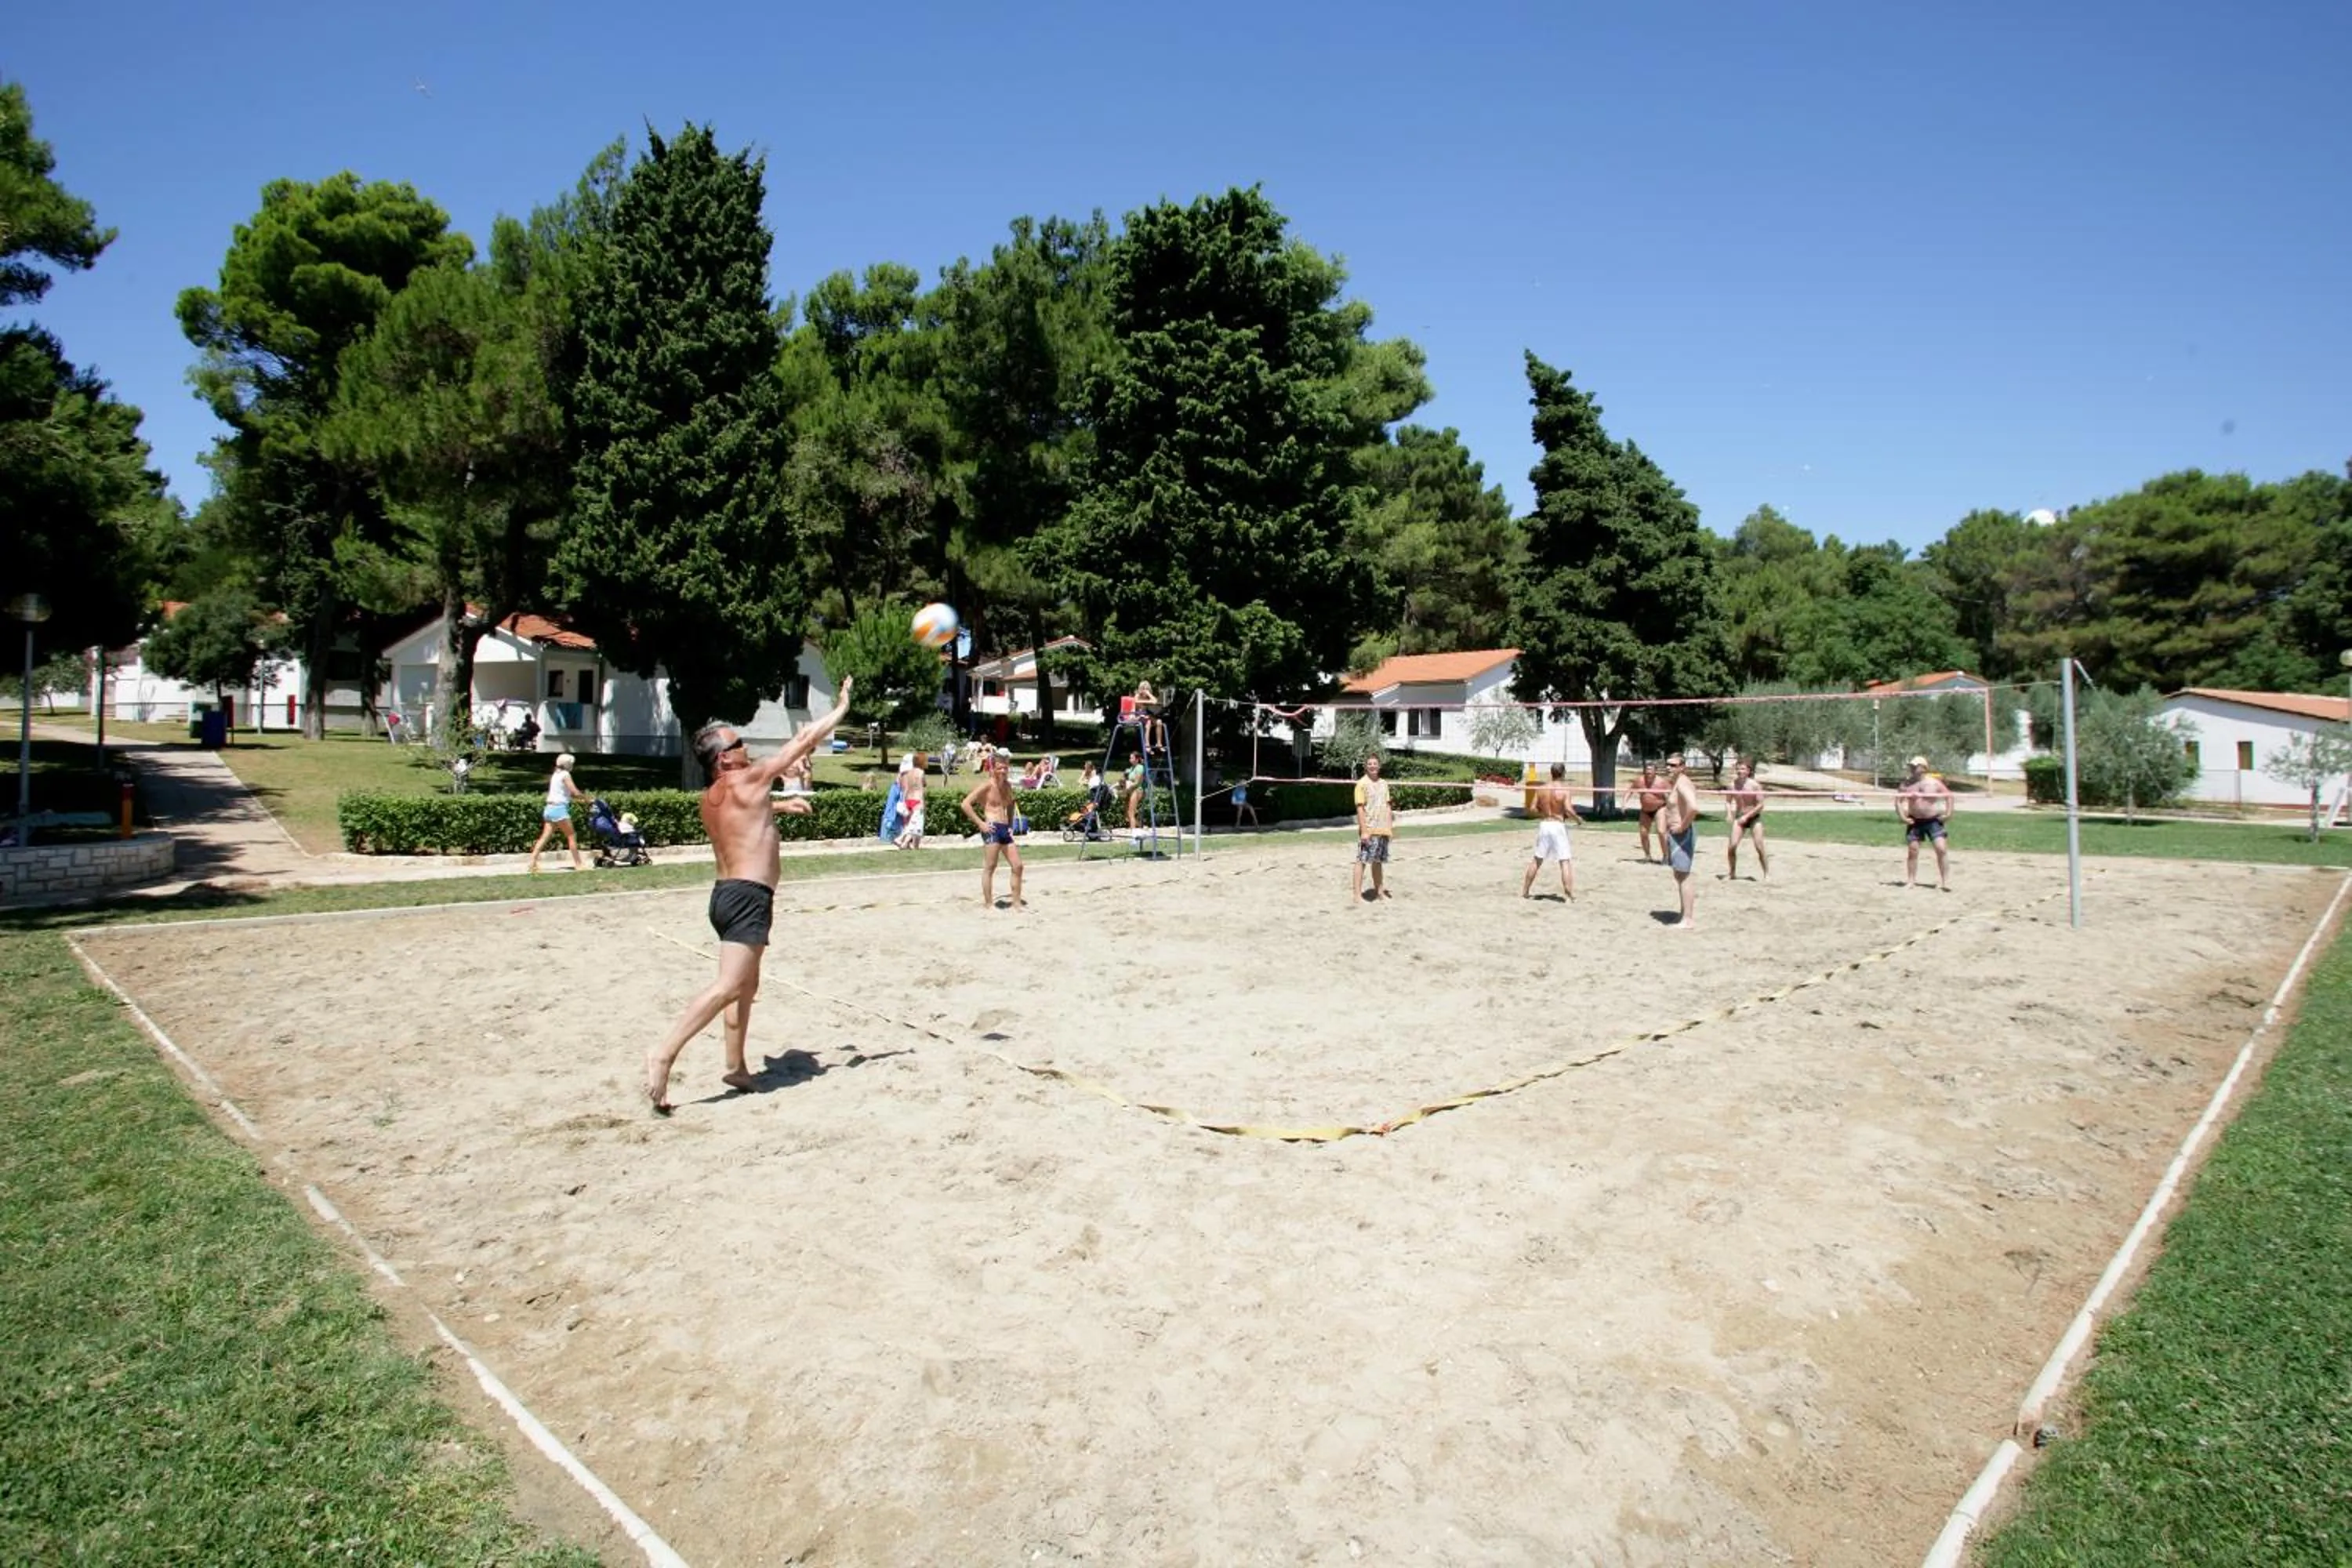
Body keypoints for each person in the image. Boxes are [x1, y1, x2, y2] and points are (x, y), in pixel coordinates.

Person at [642, 677, 855, 1114]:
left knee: (745, 986)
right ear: (724, 758)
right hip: (747, 897)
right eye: (738, 743)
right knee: (728, 986)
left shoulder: (712, 796)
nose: (745, 746)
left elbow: (744, 816)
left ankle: (736, 1067)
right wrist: (842, 707)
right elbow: (804, 740)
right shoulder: (750, 777)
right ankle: (663, 1054)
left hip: (723, 896)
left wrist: (780, 806)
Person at [960, 750, 1027, 909]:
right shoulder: (987, 785)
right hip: (991, 827)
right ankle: (989, 904)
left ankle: (1016, 903)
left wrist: (1010, 825)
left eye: (1005, 768)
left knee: (1018, 866)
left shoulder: (1008, 786)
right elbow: (965, 804)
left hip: (1004, 828)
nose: (1003, 771)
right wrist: (980, 824)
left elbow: (1011, 804)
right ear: (993, 768)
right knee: (990, 867)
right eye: (1000, 768)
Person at [1520, 762, 1584, 900]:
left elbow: (1531, 809)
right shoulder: (1565, 790)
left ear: (1551, 773)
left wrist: (1543, 814)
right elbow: (1568, 809)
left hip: (1545, 825)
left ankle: (1525, 891)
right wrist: (1578, 819)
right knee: (1565, 861)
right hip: (1557, 825)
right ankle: (1569, 894)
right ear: (1563, 774)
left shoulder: (1541, 789)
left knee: (1537, 860)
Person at [1897, 754, 1954, 891]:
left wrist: (1949, 814)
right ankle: (1911, 881)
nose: (1912, 768)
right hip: (1915, 821)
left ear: (1923, 768)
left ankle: (1945, 882)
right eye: (1911, 766)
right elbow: (1898, 801)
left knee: (1941, 849)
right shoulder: (1906, 784)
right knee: (1913, 850)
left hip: (1933, 821)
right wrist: (1902, 817)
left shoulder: (1934, 783)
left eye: (1915, 766)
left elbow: (1949, 796)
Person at [528, 752, 586, 873]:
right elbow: (574, 791)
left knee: (545, 837)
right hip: (560, 809)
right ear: (568, 765)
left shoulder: (556, 774)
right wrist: (587, 799)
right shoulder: (565, 775)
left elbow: (564, 793)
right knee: (571, 836)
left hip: (549, 808)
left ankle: (532, 862)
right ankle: (579, 864)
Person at [1660, 752, 1700, 928]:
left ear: (1682, 767)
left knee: (1684, 875)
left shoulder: (1683, 783)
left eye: (1674, 765)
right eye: (1668, 764)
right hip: (1675, 834)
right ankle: (1684, 914)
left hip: (1683, 834)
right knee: (1679, 874)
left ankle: (1688, 919)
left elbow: (1693, 807)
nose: (1669, 767)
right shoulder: (1675, 783)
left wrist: (1682, 826)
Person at [1352, 753, 1395, 902]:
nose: (1372, 766)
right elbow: (1360, 809)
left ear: (1379, 766)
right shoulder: (1361, 784)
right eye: (1369, 764)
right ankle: (1357, 896)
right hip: (1369, 830)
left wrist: (1390, 828)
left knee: (1378, 862)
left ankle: (1380, 893)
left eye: (1375, 763)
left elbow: (1388, 806)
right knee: (1362, 861)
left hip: (1382, 829)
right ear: (1366, 766)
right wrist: (1364, 831)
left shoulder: (1384, 784)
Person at [1724, 760, 1769, 884]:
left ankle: (1766, 874)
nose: (1740, 771)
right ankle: (1732, 873)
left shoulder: (1755, 785)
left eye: (1743, 769)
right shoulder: (1732, 785)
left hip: (1754, 818)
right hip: (1740, 817)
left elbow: (1760, 805)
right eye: (1738, 769)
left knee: (1759, 847)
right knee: (1732, 846)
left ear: (1748, 771)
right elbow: (1728, 801)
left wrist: (1748, 816)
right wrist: (1729, 813)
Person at [1635, 762, 1669, 863]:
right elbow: (1630, 791)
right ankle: (1648, 856)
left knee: (1661, 832)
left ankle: (1666, 856)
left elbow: (1669, 796)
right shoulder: (1640, 781)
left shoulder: (1662, 782)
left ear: (1655, 771)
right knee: (1643, 833)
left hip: (1660, 808)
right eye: (1647, 769)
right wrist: (1624, 803)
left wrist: (1671, 808)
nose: (1648, 771)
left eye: (1651, 770)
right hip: (1645, 810)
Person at [892, 751, 926, 850]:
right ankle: (901, 839)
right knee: (916, 823)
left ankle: (905, 843)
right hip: (917, 799)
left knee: (911, 822)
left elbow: (901, 785)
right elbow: (923, 785)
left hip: (907, 800)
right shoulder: (920, 772)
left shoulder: (905, 774)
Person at [1123, 748, 1147, 831]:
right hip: (1130, 790)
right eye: (1130, 758)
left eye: (1132, 758)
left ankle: (1133, 832)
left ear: (1137, 759)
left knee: (1131, 812)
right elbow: (1127, 779)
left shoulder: (1140, 767)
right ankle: (1139, 826)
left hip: (1137, 791)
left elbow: (1137, 783)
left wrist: (1128, 788)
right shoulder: (1132, 768)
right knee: (1126, 814)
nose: (1130, 759)